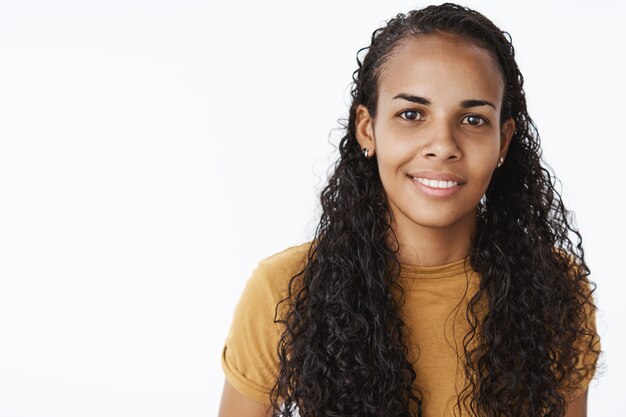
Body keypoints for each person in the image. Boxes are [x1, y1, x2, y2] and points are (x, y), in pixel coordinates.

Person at [218, 3, 601, 417]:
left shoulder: (554, 288)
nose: (443, 145)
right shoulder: (284, 292)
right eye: (412, 114)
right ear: (367, 128)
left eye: (473, 120)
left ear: (503, 142)